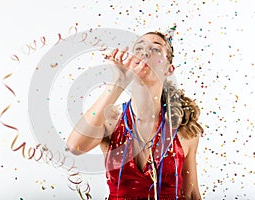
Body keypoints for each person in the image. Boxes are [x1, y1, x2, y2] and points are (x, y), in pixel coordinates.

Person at [67, 29, 203, 200]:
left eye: (156, 49)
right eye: (139, 49)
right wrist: (118, 82)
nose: (145, 52)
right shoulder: (111, 121)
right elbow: (75, 147)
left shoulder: (183, 130)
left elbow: (191, 194)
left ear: (169, 69)